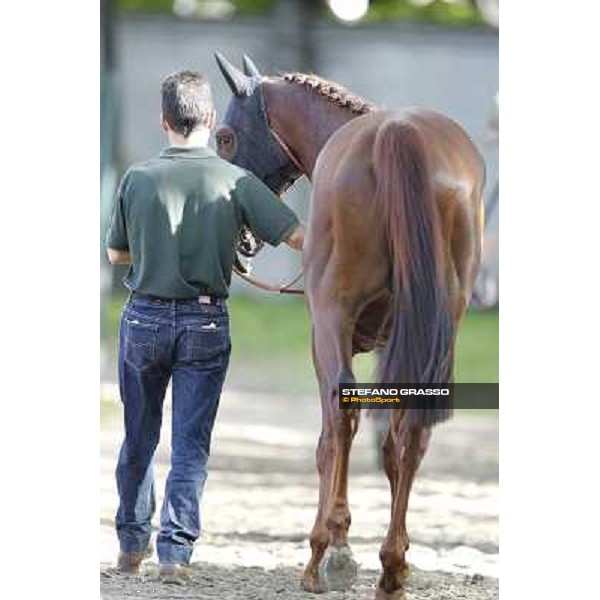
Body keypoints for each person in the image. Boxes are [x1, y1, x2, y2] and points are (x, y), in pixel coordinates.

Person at [105, 70, 304, 580]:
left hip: (144, 318)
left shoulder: (137, 178)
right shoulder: (237, 180)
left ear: (164, 119)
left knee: (138, 437)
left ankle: (131, 545)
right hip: (206, 322)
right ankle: (174, 554)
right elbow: (300, 238)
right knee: (191, 445)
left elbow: (115, 253)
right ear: (212, 121)